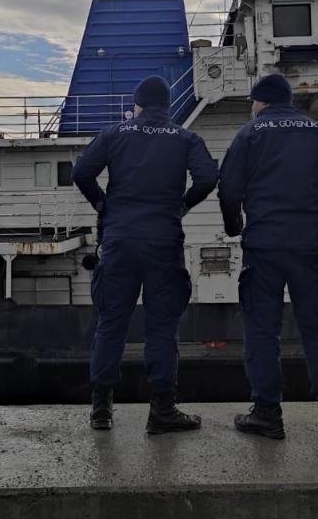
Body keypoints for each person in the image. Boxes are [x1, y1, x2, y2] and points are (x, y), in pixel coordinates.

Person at [73, 75, 218, 434]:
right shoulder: (184, 137)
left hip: (119, 241)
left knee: (111, 324)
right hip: (163, 243)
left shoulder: (114, 134)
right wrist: (183, 205)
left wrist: (103, 205)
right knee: (162, 327)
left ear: (137, 106)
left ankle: (101, 409)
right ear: (167, 106)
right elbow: (207, 178)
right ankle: (162, 411)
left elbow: (82, 172)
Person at [218, 73, 318, 441]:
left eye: (253, 102)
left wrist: (234, 226)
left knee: (262, 331)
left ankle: (267, 414)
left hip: (263, 248)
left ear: (261, 102)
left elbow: (228, 188)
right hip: (311, 248)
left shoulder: (249, 134)